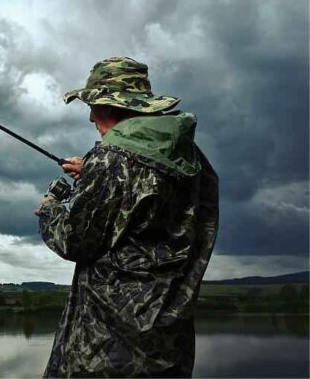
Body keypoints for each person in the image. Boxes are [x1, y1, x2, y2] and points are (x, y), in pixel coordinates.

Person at [34, 57, 219, 377]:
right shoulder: (191, 156)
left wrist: (51, 208)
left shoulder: (112, 161)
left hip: (108, 354)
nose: (91, 116)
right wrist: (94, 174)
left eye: (93, 106)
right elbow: (142, 199)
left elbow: (74, 240)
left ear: (108, 106)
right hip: (167, 347)